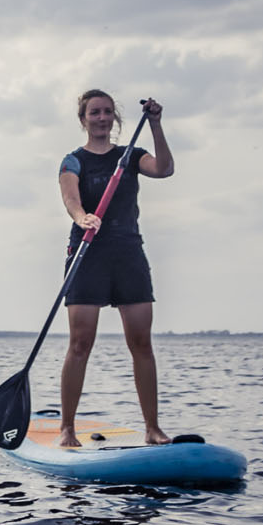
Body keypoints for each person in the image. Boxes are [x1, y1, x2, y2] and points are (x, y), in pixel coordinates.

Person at [57, 90, 174, 448]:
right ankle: (67, 429)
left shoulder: (131, 156)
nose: (102, 118)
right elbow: (70, 199)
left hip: (128, 255)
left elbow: (164, 169)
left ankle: (153, 428)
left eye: (108, 112)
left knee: (141, 342)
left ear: (115, 119)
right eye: (95, 112)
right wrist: (83, 217)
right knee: (80, 343)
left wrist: (155, 124)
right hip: (87, 254)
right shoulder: (73, 161)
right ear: (84, 119)